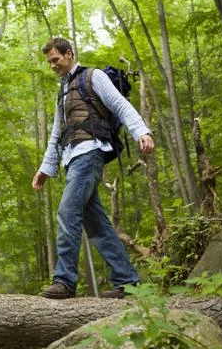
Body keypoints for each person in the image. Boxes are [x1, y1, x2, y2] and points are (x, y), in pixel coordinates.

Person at [32, 38, 154, 299]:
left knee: (67, 212)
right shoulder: (62, 91)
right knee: (97, 224)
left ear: (69, 54)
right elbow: (57, 133)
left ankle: (64, 280)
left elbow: (118, 104)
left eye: (56, 59)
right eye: (49, 62)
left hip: (91, 152)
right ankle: (129, 282)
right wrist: (46, 168)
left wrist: (141, 130)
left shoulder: (93, 76)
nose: (52, 65)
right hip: (72, 158)